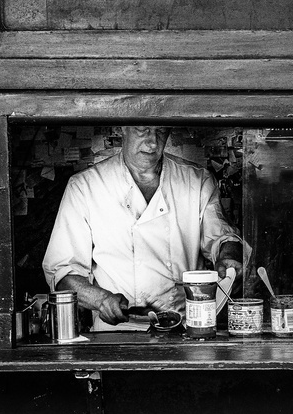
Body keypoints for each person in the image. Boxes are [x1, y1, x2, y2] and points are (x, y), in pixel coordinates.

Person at [42, 125, 248, 330]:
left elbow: (222, 237)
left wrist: (229, 255)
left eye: (160, 131)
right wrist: (101, 299)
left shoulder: (196, 180)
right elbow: (62, 272)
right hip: (117, 333)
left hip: (187, 327)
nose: (152, 142)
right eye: (142, 129)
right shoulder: (85, 187)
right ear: (121, 128)